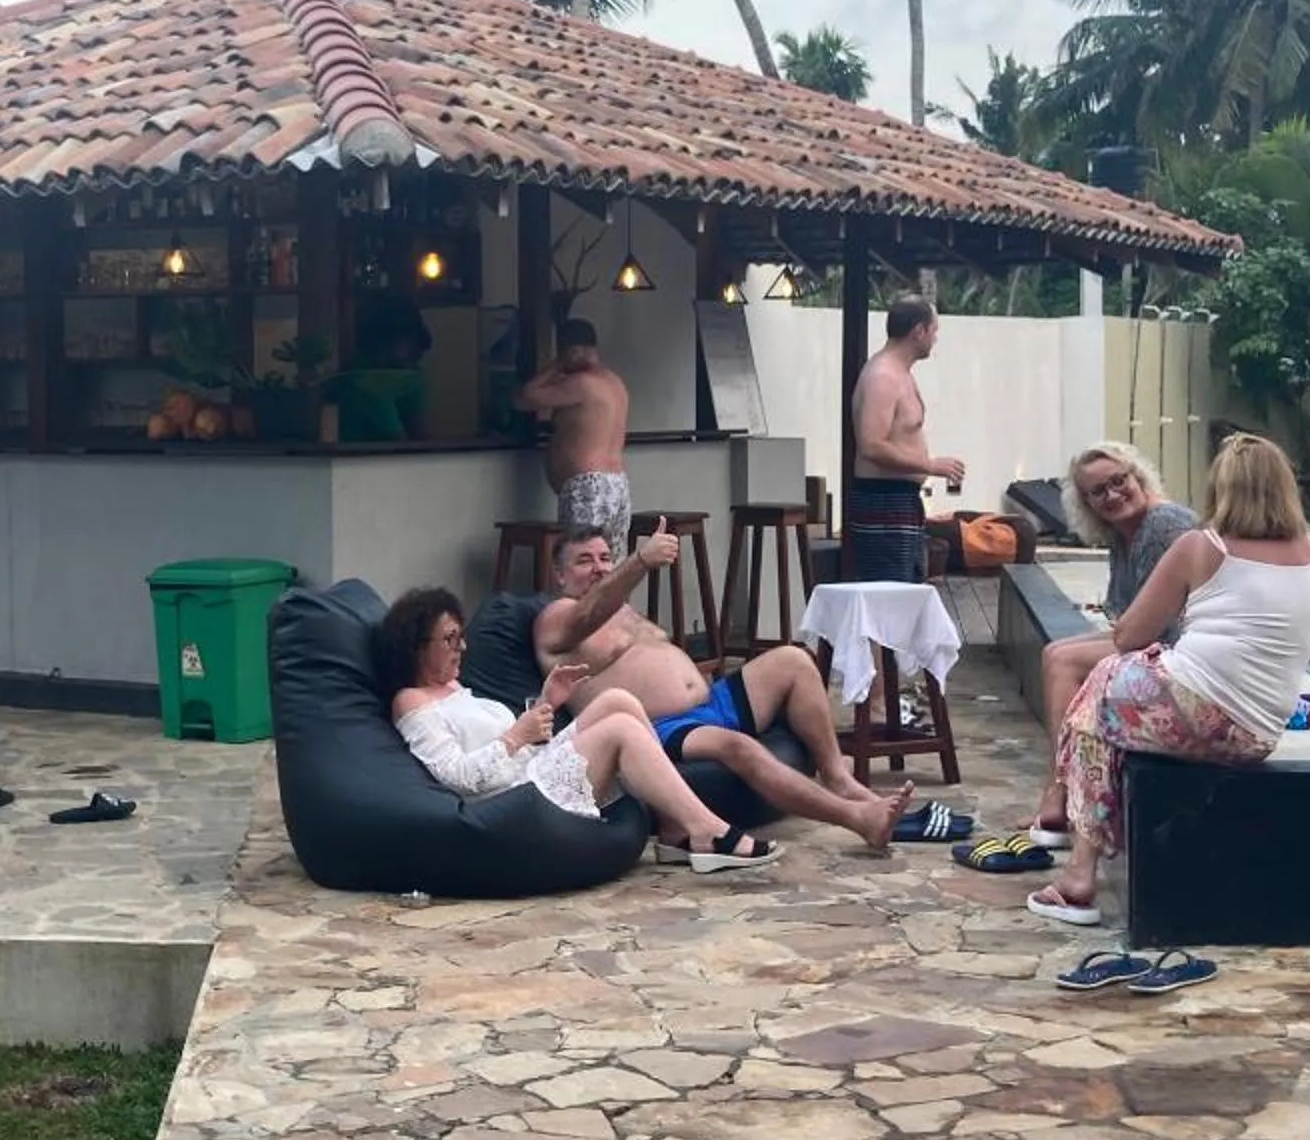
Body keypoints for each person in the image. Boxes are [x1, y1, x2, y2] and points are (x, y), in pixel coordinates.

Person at [1028, 432, 1310, 922]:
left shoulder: (1200, 544)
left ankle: (1079, 875)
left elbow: (1130, 636)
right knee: (1111, 697)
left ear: (1221, 488)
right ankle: (1086, 845)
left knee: (1101, 690)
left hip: (1195, 712)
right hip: (1255, 737)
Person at [534, 530, 914, 851]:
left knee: (794, 660)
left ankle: (836, 777)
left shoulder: (622, 610)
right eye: (584, 561)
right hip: (659, 726)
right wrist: (640, 562)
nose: (599, 567)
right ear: (559, 575)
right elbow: (587, 616)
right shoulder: (555, 619)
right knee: (740, 747)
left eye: (604, 558)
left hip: (711, 701)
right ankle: (857, 818)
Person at [378, 588, 776, 874]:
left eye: (460, 636)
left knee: (619, 701)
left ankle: (673, 827)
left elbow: (518, 740)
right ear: (417, 645)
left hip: (532, 769)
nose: (461, 647)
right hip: (515, 797)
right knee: (620, 728)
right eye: (449, 639)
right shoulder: (412, 702)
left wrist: (548, 701)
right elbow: (458, 778)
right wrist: (517, 734)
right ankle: (707, 830)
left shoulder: (454, 689)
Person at [1025, 444, 1196, 846]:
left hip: (1183, 652)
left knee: (1064, 663)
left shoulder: (1162, 524)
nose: (1112, 495)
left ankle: (1062, 791)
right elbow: (1127, 620)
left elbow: (1156, 628)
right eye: (1097, 492)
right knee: (1055, 653)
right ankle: (1061, 788)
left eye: (1119, 481)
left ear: (1138, 477)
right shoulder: (1124, 533)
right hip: (1157, 641)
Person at [848, 296, 962, 583]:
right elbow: (871, 444)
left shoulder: (900, 374)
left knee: (906, 592)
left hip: (900, 501)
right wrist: (929, 465)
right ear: (918, 330)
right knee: (890, 596)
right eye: (934, 330)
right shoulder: (882, 376)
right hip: (882, 502)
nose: (935, 339)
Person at [517, 319, 632, 552]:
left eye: (562, 353)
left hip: (588, 487)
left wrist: (555, 367)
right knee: (610, 569)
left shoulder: (581, 383)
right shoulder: (614, 382)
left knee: (581, 565)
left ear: (573, 352)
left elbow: (524, 398)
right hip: (617, 484)